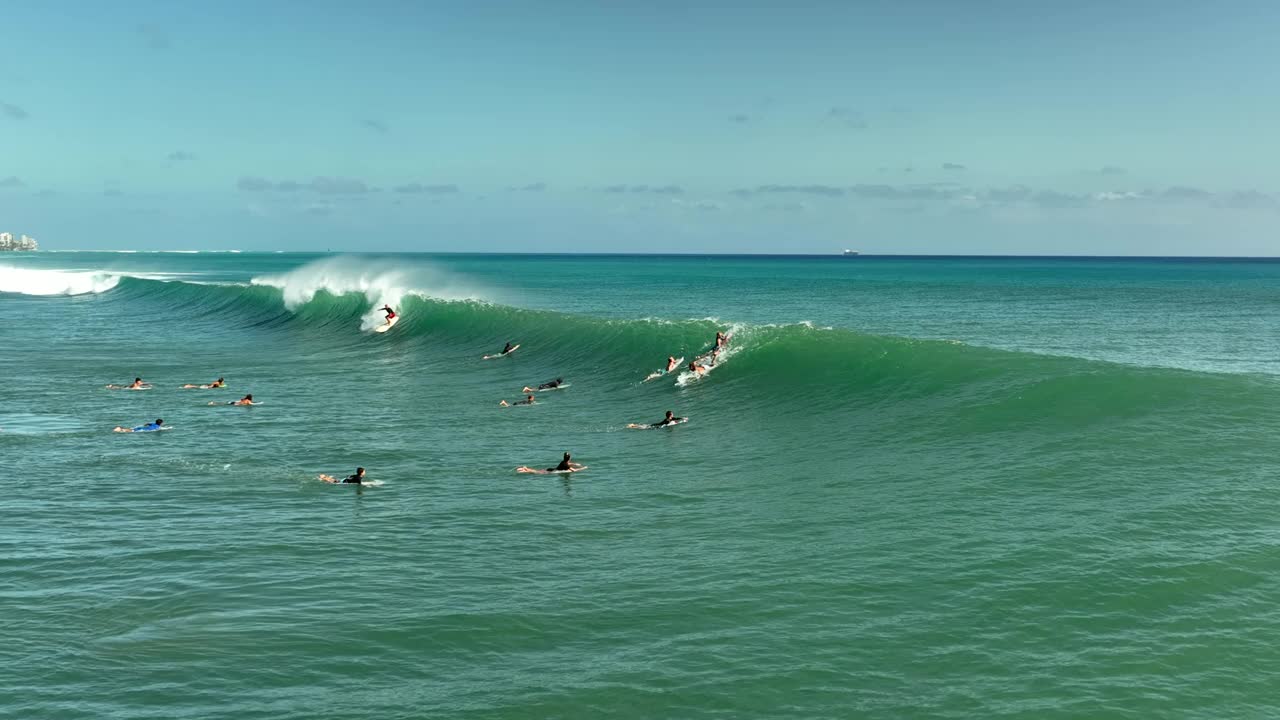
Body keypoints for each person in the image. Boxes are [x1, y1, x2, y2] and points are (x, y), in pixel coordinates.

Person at [516, 452, 587, 474]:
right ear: (569, 458)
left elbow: (569, 463)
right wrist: (583, 468)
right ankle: (525, 469)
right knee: (536, 472)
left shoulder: (564, 462)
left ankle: (525, 469)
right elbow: (574, 470)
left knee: (537, 471)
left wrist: (575, 464)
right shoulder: (566, 465)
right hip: (551, 472)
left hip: (551, 469)